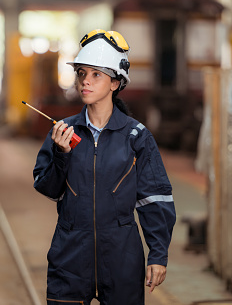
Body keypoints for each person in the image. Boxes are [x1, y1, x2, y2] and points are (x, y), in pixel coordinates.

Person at [32, 29, 176, 305]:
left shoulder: (136, 137)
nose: (85, 81)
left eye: (96, 74)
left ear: (115, 83)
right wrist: (62, 154)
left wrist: (158, 255)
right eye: (82, 73)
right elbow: (46, 187)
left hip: (121, 257)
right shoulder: (63, 132)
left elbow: (155, 198)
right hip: (70, 255)